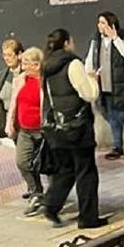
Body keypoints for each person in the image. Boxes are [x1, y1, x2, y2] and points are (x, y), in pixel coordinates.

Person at [40, 28, 106, 229]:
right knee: (86, 172)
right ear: (67, 43)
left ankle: (51, 206)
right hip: (77, 129)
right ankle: (88, 218)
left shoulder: (46, 66)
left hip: (56, 129)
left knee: (65, 170)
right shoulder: (73, 64)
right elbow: (88, 94)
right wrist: (93, 80)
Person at [85, 11, 124, 160]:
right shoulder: (97, 39)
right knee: (112, 115)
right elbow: (91, 57)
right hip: (104, 83)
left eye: (103, 22)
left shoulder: (123, 36)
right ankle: (119, 146)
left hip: (121, 84)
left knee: (121, 114)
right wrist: (89, 72)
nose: (100, 26)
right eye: (99, 22)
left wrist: (115, 38)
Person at [5, 47, 46, 217]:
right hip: (25, 129)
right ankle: (35, 191)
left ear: (37, 65)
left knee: (45, 164)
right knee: (22, 161)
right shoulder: (21, 79)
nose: (24, 67)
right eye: (24, 63)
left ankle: (52, 196)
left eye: (28, 64)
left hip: (43, 130)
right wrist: (10, 123)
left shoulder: (45, 81)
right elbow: (14, 103)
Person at [0, 37, 24, 138]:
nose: (6, 58)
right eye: (4, 55)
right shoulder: (2, 75)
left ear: (19, 55)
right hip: (10, 121)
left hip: (24, 120)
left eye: (9, 55)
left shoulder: (26, 73)